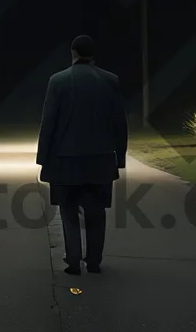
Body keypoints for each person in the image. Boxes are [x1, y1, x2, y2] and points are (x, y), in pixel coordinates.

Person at [36, 35, 128, 276]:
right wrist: (120, 157)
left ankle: (74, 260)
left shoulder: (58, 81)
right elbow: (120, 123)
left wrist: (43, 158)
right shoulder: (110, 81)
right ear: (93, 54)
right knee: (96, 212)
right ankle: (94, 261)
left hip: (65, 160)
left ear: (73, 53)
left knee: (68, 211)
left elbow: (49, 122)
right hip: (100, 160)